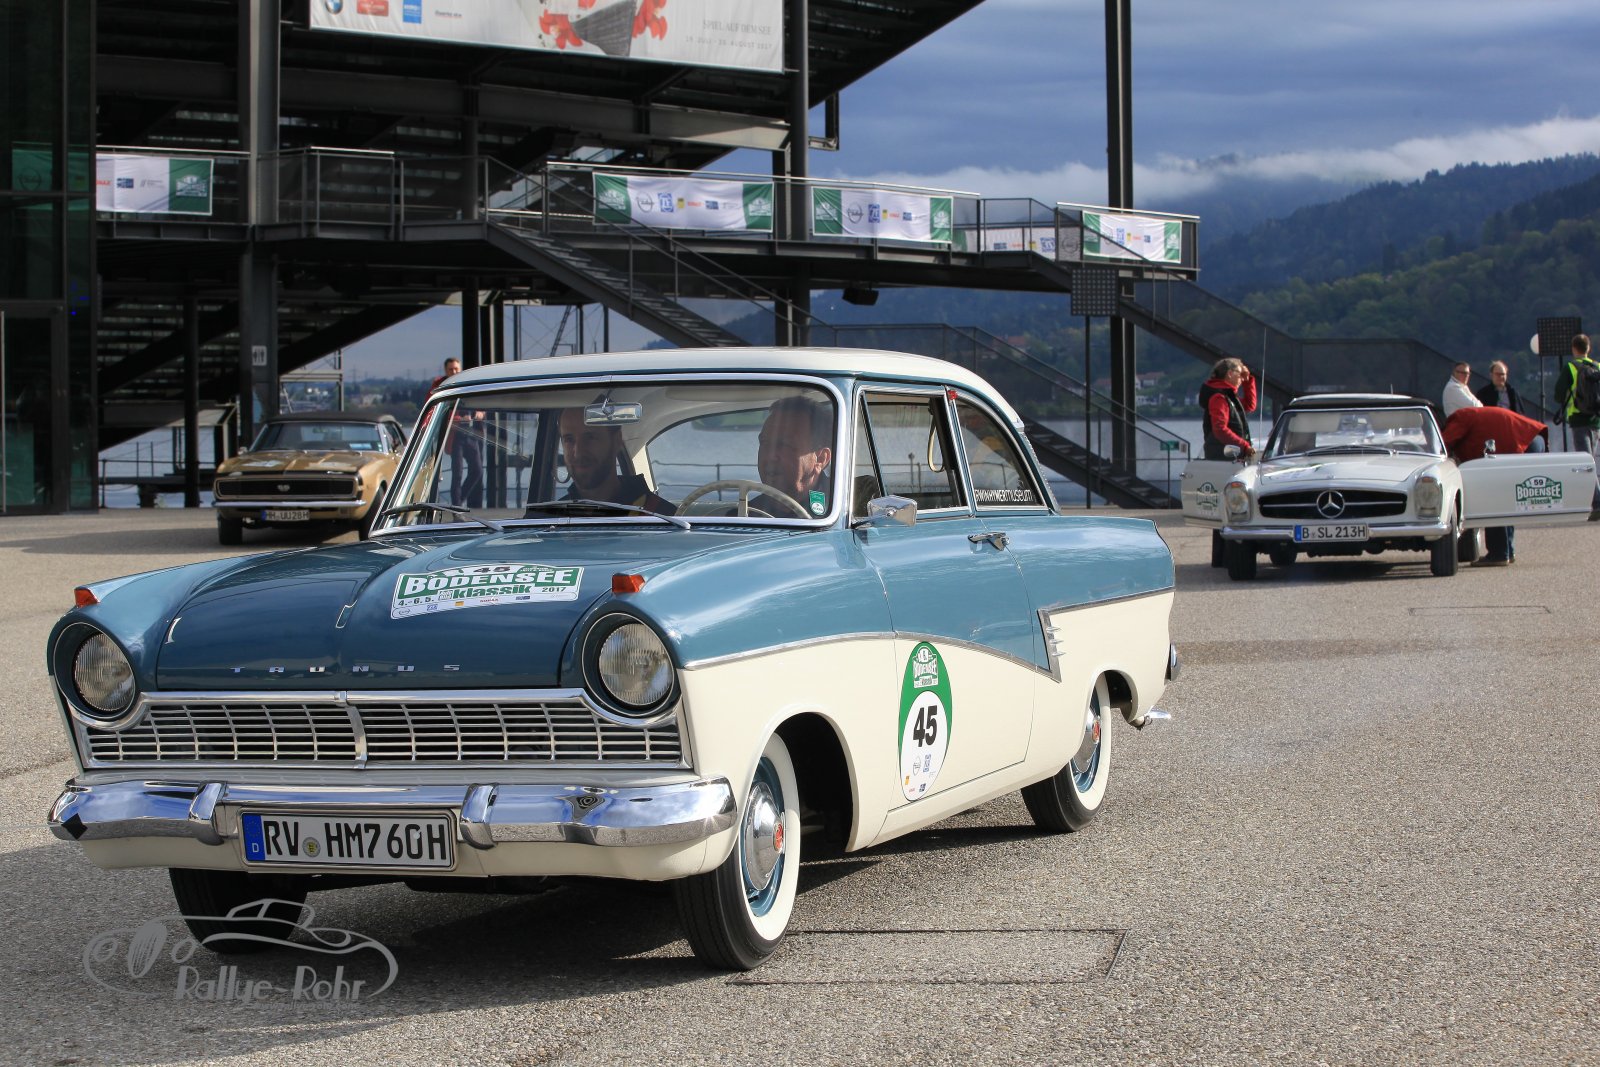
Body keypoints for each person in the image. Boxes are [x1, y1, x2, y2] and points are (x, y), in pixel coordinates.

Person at [1441, 405, 1549, 566]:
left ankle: (1499, 554)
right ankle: (1507, 551)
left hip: (1524, 443)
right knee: (1506, 499)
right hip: (1531, 439)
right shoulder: (1470, 415)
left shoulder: (1458, 418)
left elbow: (1442, 445)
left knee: (1494, 498)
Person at [557, 407, 676, 514]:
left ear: (616, 440)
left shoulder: (664, 519)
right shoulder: (553, 517)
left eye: (590, 437)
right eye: (569, 439)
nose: (578, 453)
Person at [754, 395, 834, 516]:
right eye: (764, 442)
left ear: (821, 459)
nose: (770, 456)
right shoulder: (742, 515)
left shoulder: (847, 509)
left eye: (784, 444)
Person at [429, 357, 484, 508]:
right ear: (445, 371)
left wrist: (480, 412)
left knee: (477, 470)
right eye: (451, 369)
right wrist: (459, 419)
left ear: (460, 369)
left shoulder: (468, 383)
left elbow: (481, 401)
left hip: (471, 433)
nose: (454, 372)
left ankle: (459, 502)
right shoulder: (441, 386)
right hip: (454, 435)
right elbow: (437, 411)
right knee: (457, 473)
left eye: (456, 369)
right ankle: (456, 507)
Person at [1198, 357, 1257, 461]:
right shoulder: (1219, 397)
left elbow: (1249, 405)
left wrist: (1248, 382)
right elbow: (1220, 429)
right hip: (1223, 457)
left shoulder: (1227, 396)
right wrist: (1244, 446)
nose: (1242, 378)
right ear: (1230, 373)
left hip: (1229, 455)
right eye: (1240, 374)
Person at [1556, 334, 1599, 456]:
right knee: (1591, 456)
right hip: (1596, 418)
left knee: (1584, 457)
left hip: (1578, 417)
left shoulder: (1570, 367)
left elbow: (1559, 394)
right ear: (1588, 348)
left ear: (1574, 348)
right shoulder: (1597, 367)